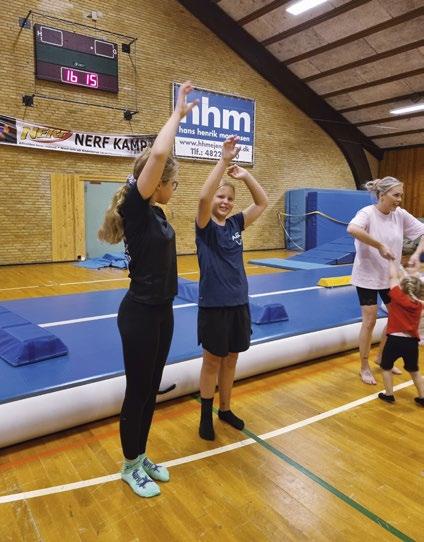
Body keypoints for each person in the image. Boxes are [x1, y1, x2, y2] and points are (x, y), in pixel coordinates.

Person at [98, 81, 197, 497]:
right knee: (137, 391)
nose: (175, 189)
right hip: (139, 313)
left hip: (162, 311)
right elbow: (157, 156)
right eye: (173, 183)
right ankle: (129, 465)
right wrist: (177, 115)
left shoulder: (156, 213)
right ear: (156, 184)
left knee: (151, 389)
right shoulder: (136, 210)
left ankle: (140, 457)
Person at [195, 135, 268, 440]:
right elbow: (203, 199)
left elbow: (262, 202)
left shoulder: (237, 223)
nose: (224, 202)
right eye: (220, 197)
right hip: (214, 305)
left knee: (232, 358)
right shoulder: (205, 226)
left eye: (229, 199)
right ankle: (205, 415)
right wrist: (223, 161)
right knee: (212, 360)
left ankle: (225, 409)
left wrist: (245, 175)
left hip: (239, 302)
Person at [347, 177, 424, 385]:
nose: (399, 199)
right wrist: (379, 245)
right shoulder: (367, 213)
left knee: (396, 318)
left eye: (401, 195)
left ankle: (382, 357)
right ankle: (364, 366)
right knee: (370, 320)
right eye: (396, 195)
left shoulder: (400, 215)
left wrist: (417, 254)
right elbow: (352, 229)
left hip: (390, 276)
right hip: (367, 276)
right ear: (382, 195)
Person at [378, 260, 424, 405]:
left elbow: (392, 277)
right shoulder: (419, 305)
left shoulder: (397, 296)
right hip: (411, 343)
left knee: (386, 367)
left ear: (403, 288)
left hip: (394, 340)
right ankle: (422, 397)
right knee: (414, 370)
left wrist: (392, 262)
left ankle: (389, 394)